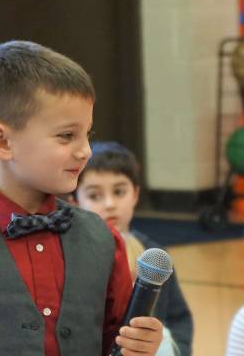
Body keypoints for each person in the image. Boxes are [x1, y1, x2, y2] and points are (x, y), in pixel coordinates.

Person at [0, 40, 163, 355]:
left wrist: (141, 345)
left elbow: (114, 343)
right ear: (1, 141)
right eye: (66, 135)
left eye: (87, 134)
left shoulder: (103, 239)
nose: (85, 151)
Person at [75, 141, 194, 356]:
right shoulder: (73, 254)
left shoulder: (153, 256)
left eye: (119, 192)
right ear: (75, 201)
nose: (109, 204)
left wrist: (178, 351)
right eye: (94, 196)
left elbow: (179, 318)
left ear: (135, 194)